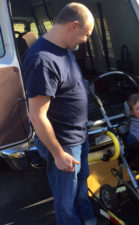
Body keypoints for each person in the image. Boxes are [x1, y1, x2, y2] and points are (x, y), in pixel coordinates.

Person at [21, 3, 97, 225]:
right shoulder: (41, 60)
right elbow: (37, 116)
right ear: (74, 26)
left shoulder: (64, 49)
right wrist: (58, 154)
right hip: (64, 144)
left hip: (79, 136)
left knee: (81, 186)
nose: (85, 40)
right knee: (66, 201)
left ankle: (88, 218)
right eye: (85, 34)